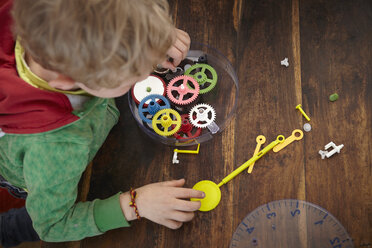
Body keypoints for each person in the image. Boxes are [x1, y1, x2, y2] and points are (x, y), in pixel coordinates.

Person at [0, 0, 205, 246]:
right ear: (67, 80)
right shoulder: (55, 150)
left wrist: (149, 37)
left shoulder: (51, 23)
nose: (146, 73)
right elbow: (52, 225)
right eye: (132, 76)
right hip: (42, 181)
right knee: (29, 222)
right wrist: (136, 204)